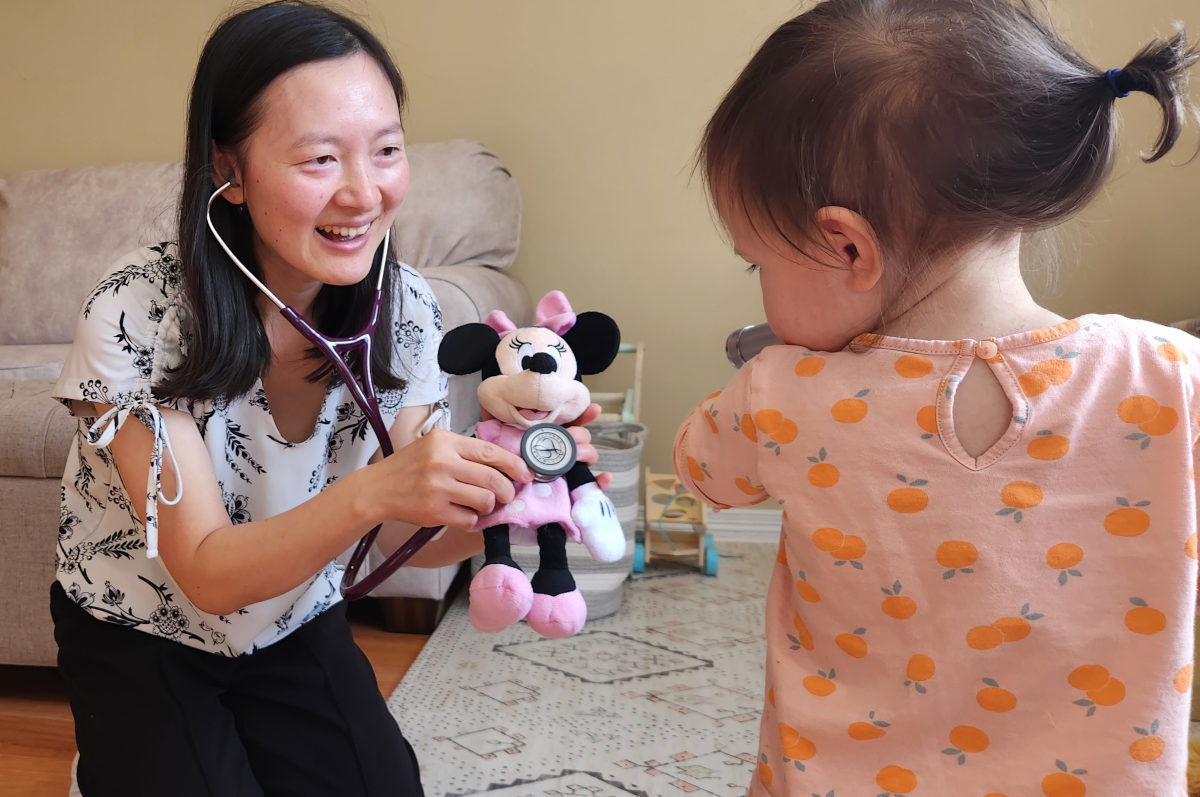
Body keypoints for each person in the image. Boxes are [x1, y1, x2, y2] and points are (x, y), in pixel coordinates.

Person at [50, 2, 605, 795]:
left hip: (290, 615)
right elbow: (205, 573)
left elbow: (408, 544)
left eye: (386, 150)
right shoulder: (138, 308)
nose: (364, 193)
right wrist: (378, 488)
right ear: (227, 169)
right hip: (142, 626)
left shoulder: (407, 308)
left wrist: (500, 495)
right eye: (319, 160)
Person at [672, 1, 1200, 794]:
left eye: (758, 263)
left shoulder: (781, 394)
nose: (760, 285)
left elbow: (700, 471)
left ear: (848, 244)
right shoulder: (1171, 373)